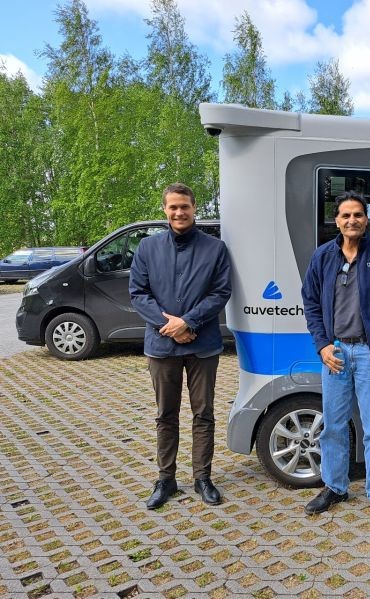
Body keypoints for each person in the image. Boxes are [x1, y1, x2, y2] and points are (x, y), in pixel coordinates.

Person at [301, 190, 370, 528]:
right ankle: (335, 488)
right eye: (345, 215)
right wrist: (322, 345)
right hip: (334, 353)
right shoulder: (323, 257)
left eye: (358, 215)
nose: (352, 221)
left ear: (366, 219)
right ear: (337, 220)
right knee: (333, 426)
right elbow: (310, 303)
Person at [130, 183, 232, 509]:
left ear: (194, 207)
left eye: (184, 206)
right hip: (161, 347)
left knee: (203, 414)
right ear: (165, 209)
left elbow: (220, 292)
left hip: (203, 345)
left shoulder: (215, 249)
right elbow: (138, 293)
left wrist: (188, 322)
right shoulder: (147, 248)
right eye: (173, 207)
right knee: (166, 415)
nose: (179, 212)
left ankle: (203, 477)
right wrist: (171, 327)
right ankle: (166, 479)